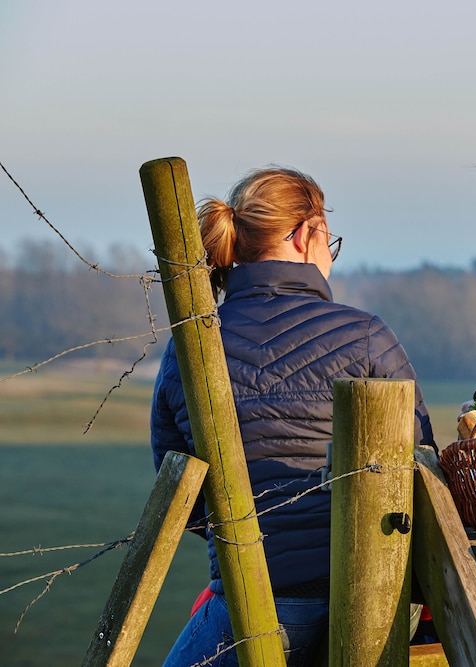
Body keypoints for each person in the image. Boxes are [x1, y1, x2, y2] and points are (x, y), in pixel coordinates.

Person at [150, 166, 435, 666]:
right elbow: (422, 467)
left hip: (249, 601)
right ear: (307, 234)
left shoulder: (191, 347)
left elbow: (180, 489)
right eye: (331, 243)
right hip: (372, 600)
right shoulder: (366, 336)